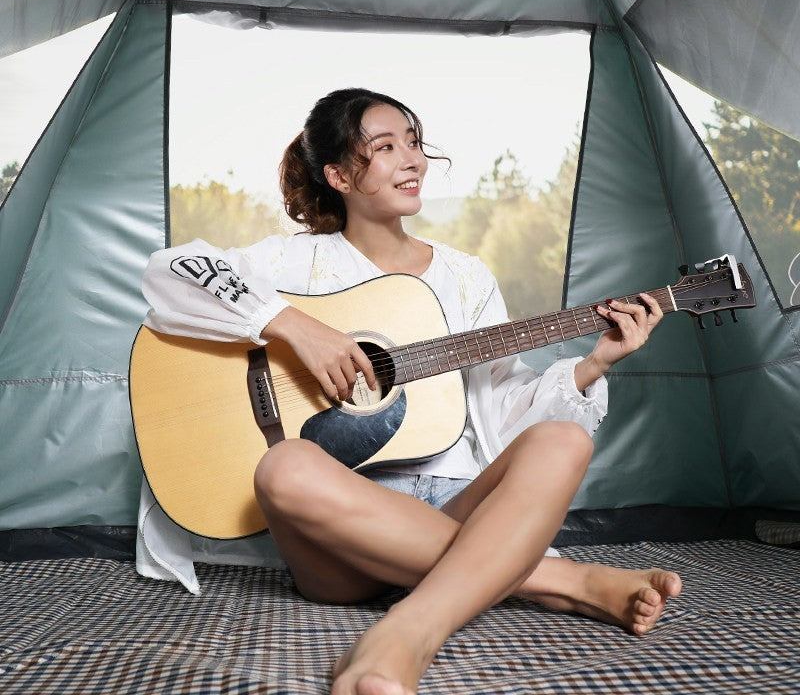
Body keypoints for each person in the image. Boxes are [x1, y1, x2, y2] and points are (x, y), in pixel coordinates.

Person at [141, 88, 682, 695]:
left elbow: (504, 410)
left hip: (456, 501)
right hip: (342, 530)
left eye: (416, 143)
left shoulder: (467, 277)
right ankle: (565, 581)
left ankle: (402, 636)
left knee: (562, 440)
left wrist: (593, 364)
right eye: (386, 147)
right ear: (339, 175)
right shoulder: (297, 264)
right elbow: (169, 272)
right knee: (283, 466)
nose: (413, 160)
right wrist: (295, 327)